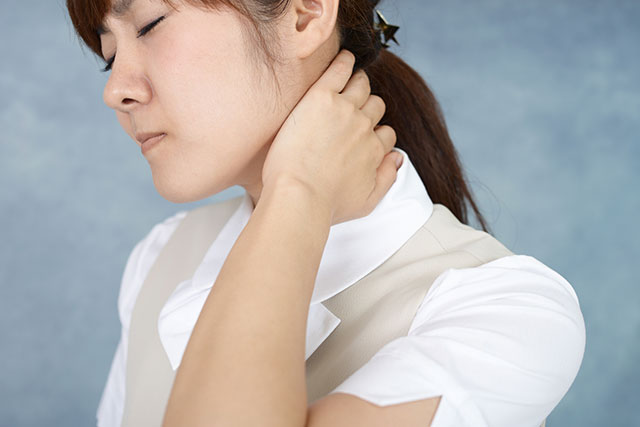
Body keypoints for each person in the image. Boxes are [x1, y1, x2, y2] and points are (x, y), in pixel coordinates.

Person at [65, 0, 586, 426]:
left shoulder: (509, 313)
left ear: (305, 14)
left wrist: (300, 188)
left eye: (150, 25)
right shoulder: (162, 256)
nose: (116, 90)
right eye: (110, 56)